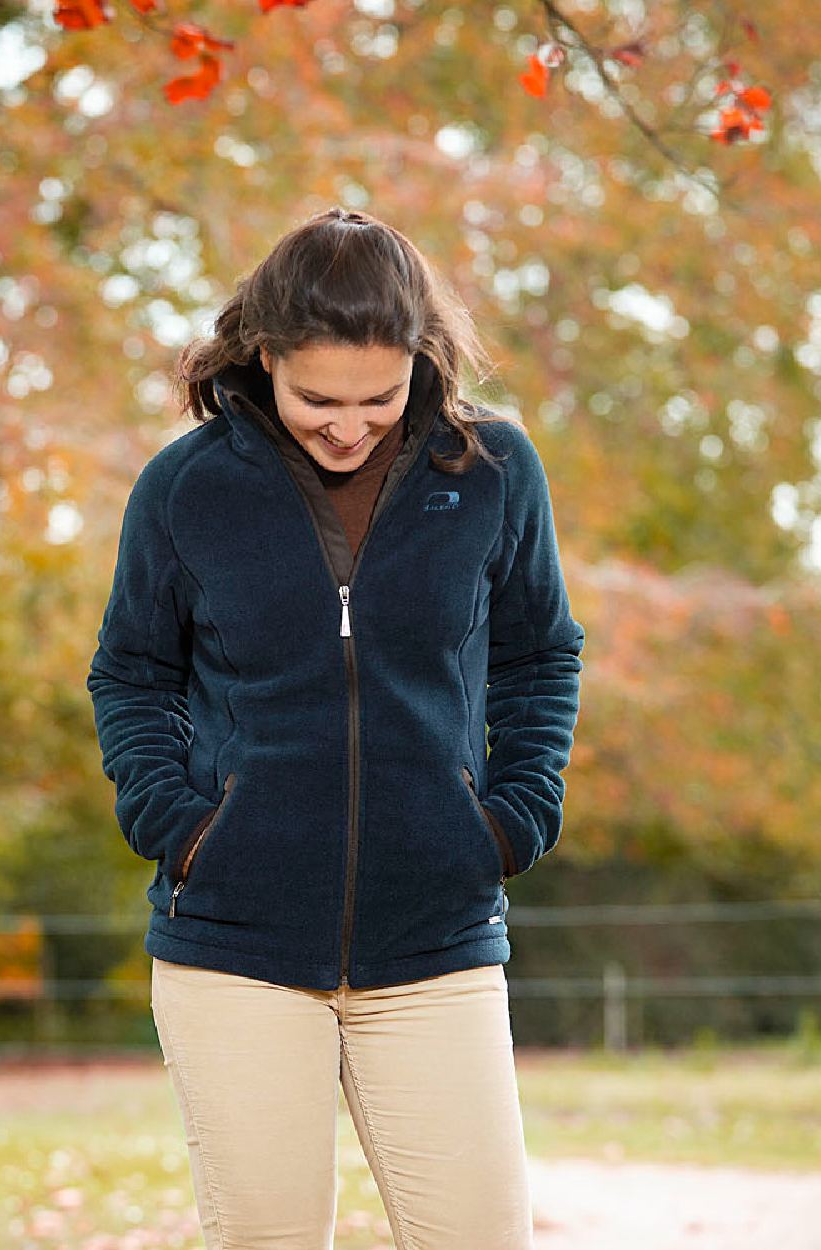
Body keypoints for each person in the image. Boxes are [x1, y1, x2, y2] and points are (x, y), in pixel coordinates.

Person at [86, 206, 586, 1250]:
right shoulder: (184, 488)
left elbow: (541, 656)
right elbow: (132, 672)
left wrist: (510, 818)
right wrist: (180, 823)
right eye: (318, 397)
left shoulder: (493, 472)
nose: (348, 425)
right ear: (263, 354)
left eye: (378, 396)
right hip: (235, 943)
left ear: (420, 358)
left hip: (437, 938)